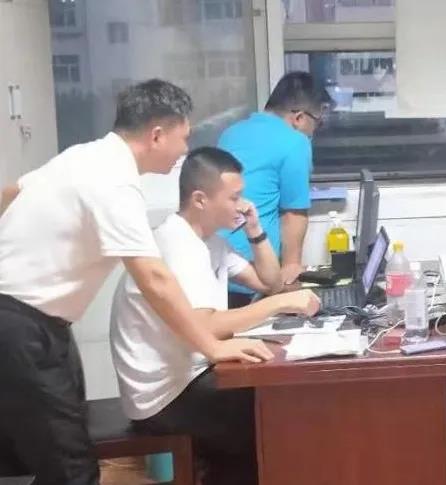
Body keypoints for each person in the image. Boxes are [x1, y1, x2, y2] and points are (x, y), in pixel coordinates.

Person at [0, 80, 272, 485]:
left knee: (60, 458)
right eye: (183, 137)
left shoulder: (83, 157)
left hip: (44, 324)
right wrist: (213, 346)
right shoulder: (113, 182)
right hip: (19, 325)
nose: (184, 150)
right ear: (156, 135)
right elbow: (154, 278)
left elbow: (13, 192)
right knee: (70, 469)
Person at [110, 147, 321, 485]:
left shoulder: (210, 243)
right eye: (234, 197)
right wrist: (281, 304)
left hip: (187, 377)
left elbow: (270, 282)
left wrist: (255, 230)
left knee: (276, 406)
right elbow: (206, 326)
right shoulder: (179, 244)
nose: (241, 205)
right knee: (276, 415)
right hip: (164, 396)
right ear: (200, 199)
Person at [218, 71, 330, 308]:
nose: (314, 131)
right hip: (252, 276)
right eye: (317, 122)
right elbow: (293, 213)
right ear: (299, 118)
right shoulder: (295, 141)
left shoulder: (230, 132)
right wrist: (291, 270)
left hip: (217, 266)